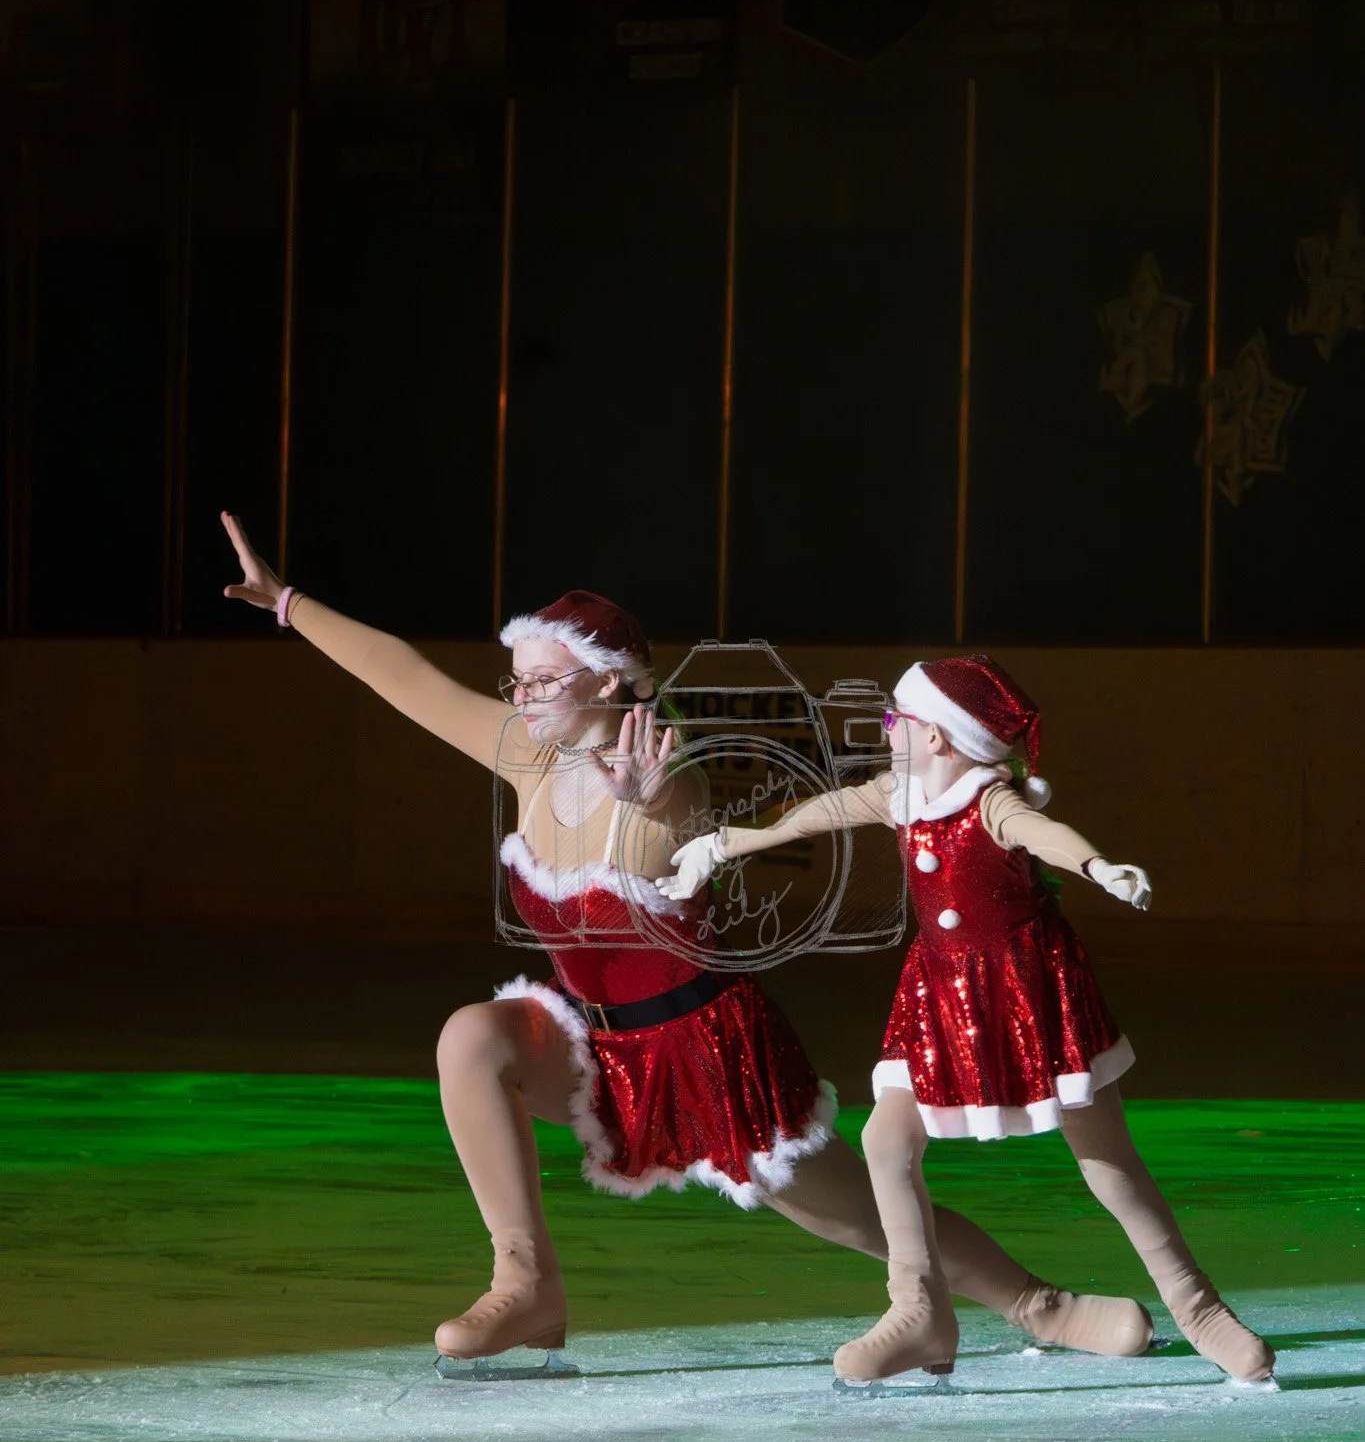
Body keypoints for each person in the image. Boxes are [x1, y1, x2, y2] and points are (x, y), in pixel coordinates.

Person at [222, 515, 1152, 1368]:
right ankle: (527, 1284)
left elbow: (676, 809)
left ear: (609, 680)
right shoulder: (527, 754)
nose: (524, 695)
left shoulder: (670, 770)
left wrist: (644, 801)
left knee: (858, 1220)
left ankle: (1040, 1304)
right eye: (519, 680)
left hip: (705, 1051)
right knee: (472, 1035)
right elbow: (406, 678)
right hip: (591, 1045)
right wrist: (289, 603)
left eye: (544, 679)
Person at [661, 653, 1275, 1387]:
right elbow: (827, 810)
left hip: (1027, 992)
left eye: (895, 719)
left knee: (1107, 1163)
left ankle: (1199, 1309)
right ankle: (919, 1311)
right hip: (938, 992)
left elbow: (1041, 833)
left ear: (939, 738)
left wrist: (1098, 868)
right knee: (886, 1140)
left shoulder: (989, 802)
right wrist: (725, 843)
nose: (886, 730)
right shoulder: (900, 793)